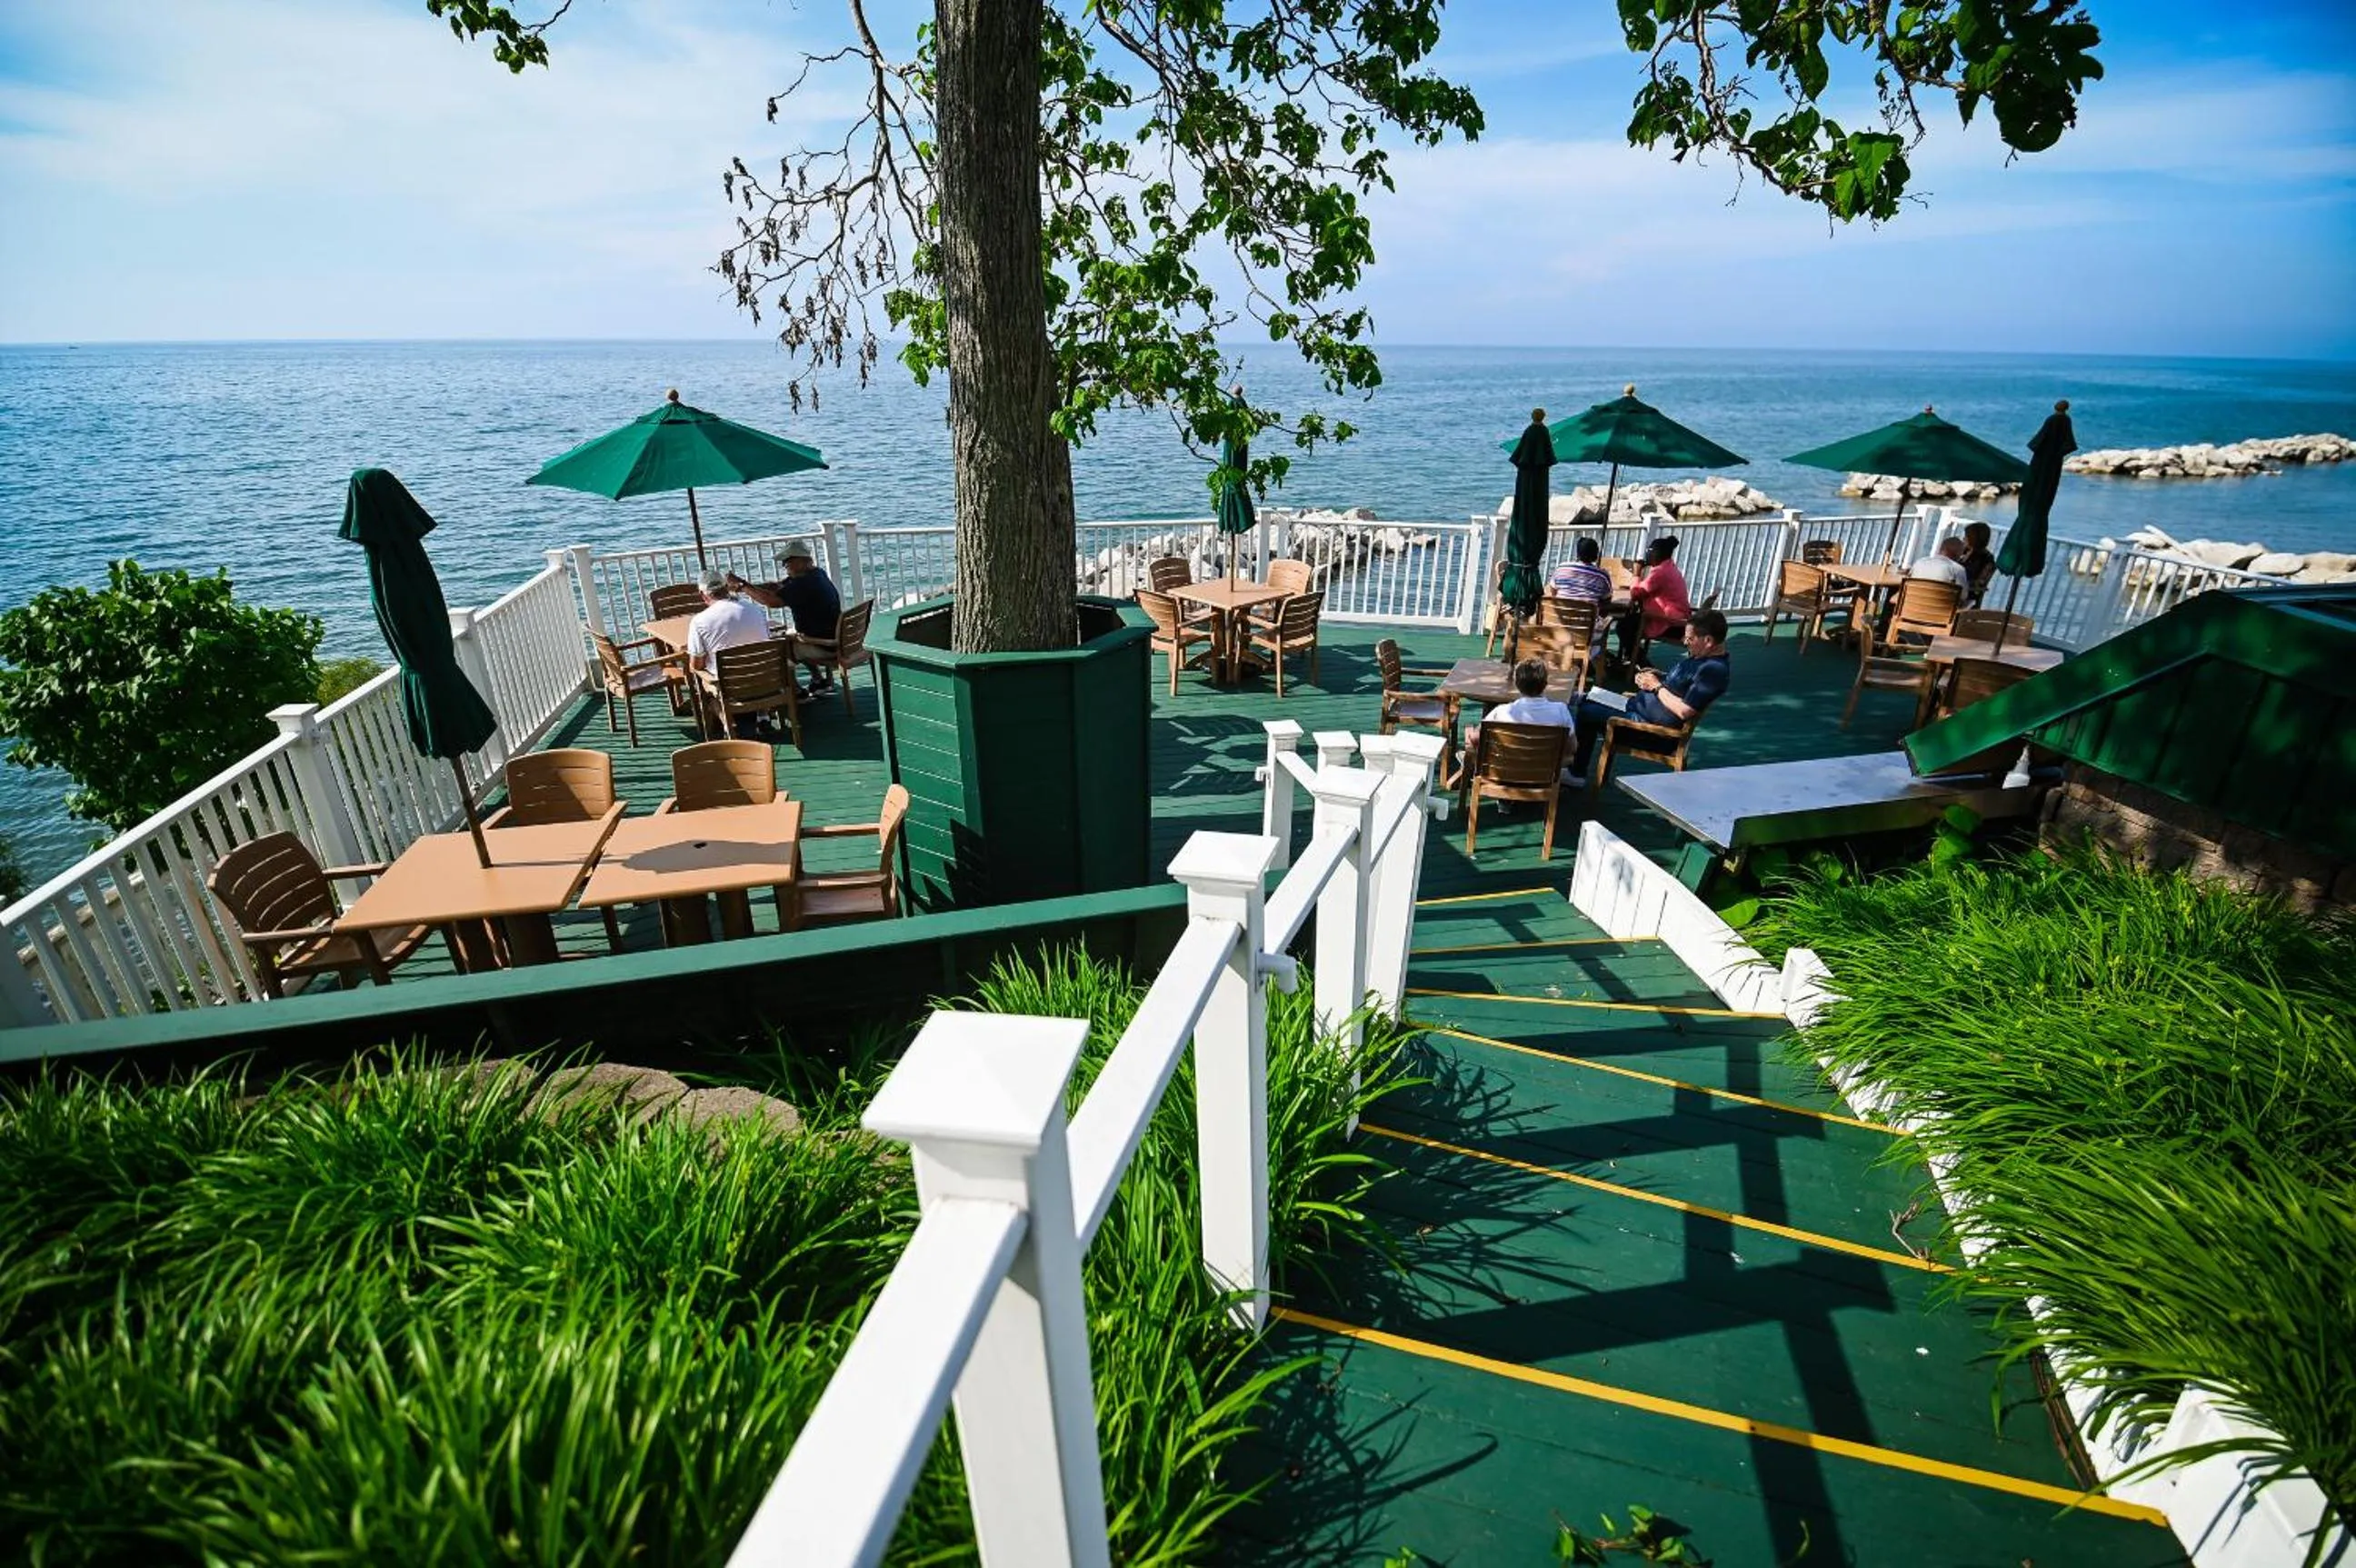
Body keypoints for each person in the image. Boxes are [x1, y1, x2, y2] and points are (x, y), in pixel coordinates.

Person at [1566, 608, 1731, 787]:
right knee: (1593, 696)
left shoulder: (1713, 671)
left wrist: (1656, 686)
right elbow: (1682, 686)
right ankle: (1577, 702)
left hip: (1651, 732)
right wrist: (1656, 677)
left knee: (1586, 712)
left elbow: (1685, 711)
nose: (1685, 642)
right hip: (1637, 708)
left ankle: (1576, 773)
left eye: (1690, 639)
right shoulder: (1701, 658)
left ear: (1708, 641)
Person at [733, 545, 843, 695]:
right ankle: (819, 681)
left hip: (824, 644)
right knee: (790, 634)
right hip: (831, 636)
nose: (784, 565)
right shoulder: (816, 574)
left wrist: (744, 587)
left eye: (787, 561)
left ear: (801, 561)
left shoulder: (803, 585)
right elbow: (775, 587)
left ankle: (796, 692)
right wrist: (743, 586)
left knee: (779, 648)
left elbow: (772, 601)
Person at [685, 568, 777, 738]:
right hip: (766, 680)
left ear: (703, 595)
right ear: (727, 588)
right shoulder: (755, 610)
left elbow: (696, 665)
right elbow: (766, 641)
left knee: (705, 686)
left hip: (731, 688)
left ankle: (729, 727)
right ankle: (763, 717)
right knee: (754, 659)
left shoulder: (699, 622)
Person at [1458, 657, 1574, 787]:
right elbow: (1572, 747)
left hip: (1502, 772)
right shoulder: (1561, 710)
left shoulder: (1501, 712)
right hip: (1543, 773)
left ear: (1517, 683)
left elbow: (1474, 740)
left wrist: (1469, 732)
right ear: (1545, 684)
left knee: (1471, 747)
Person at [1614, 535, 1691, 663]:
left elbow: (1635, 594)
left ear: (1657, 554)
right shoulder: (1669, 566)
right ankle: (1633, 657)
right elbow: (1649, 590)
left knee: (1623, 626)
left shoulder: (1660, 573)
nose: (1647, 555)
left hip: (1668, 623)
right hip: (1679, 617)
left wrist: (1636, 573)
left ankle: (1639, 662)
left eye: (1649, 552)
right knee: (1629, 622)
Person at [1547, 536, 1612, 604]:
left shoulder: (1561, 568)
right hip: (1587, 613)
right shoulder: (1602, 575)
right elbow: (1606, 599)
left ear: (1578, 553)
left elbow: (1553, 590)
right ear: (1596, 555)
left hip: (1560, 612)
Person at [1905, 534, 1972, 595]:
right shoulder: (1958, 569)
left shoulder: (1919, 562)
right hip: (1940, 608)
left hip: (1912, 605)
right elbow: (1963, 596)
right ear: (1959, 554)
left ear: (1941, 548)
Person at [1959, 520, 1997, 605]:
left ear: (1973, 538)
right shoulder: (1963, 551)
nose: (1964, 538)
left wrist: (1958, 584)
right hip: (1954, 591)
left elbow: (1980, 583)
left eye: (1966, 536)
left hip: (1967, 597)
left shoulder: (1987, 559)